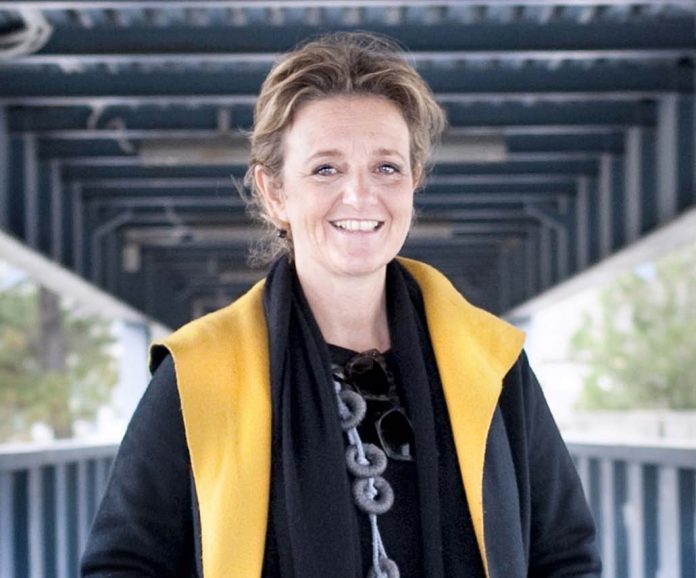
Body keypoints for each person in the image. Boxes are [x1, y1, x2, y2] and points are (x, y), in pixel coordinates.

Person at [81, 32, 601, 578]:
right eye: (326, 169)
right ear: (275, 192)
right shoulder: (199, 372)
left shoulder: (490, 362)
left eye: (386, 168)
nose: (360, 196)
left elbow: (565, 555)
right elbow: (123, 566)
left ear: (414, 182)